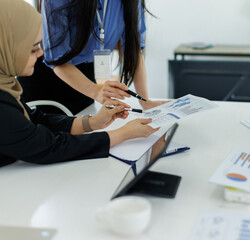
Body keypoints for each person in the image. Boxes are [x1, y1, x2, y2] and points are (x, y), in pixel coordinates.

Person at [0, 0, 159, 168]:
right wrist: (122, 134)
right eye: (33, 48)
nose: (41, 53)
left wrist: (92, 123)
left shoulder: (7, 90)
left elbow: (35, 121)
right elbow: (45, 146)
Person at [18, 0, 167, 114]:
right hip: (46, 76)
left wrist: (145, 101)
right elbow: (57, 60)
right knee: (46, 143)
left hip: (84, 77)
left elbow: (133, 51)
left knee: (84, 139)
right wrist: (96, 92)